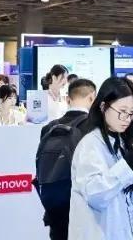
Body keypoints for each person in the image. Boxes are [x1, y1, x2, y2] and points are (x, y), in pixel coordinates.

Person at [67, 77, 133, 239]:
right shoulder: (90, 145)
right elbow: (96, 196)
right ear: (103, 106)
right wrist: (129, 165)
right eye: (122, 112)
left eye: (131, 113)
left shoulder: (121, 143)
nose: (127, 119)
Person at [39, 78, 97, 240]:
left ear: (68, 99)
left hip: (54, 204)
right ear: (92, 97)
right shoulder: (94, 127)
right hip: (84, 206)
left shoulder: (49, 128)